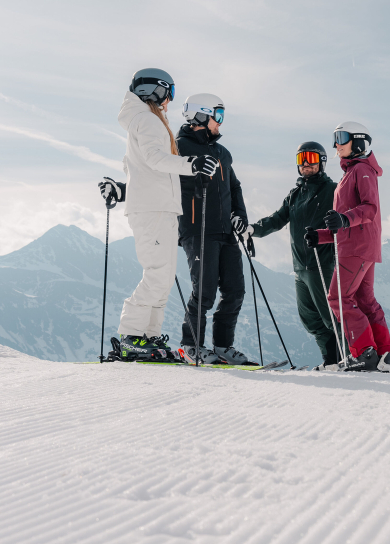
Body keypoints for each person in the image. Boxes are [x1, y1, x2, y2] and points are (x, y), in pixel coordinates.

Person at [98, 69, 219, 361]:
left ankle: (148, 337)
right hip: (153, 208)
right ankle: (131, 336)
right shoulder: (148, 120)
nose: (169, 102)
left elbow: (137, 168)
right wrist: (192, 164)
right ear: (154, 91)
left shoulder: (143, 121)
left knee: (162, 277)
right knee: (157, 275)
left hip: (157, 206)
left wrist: (123, 189)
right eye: (169, 94)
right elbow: (154, 159)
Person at [303, 121, 390, 372]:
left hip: (356, 249)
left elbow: (369, 208)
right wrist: (321, 236)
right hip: (359, 246)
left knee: (337, 297)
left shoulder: (362, 171)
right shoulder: (353, 172)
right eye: (335, 137)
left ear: (357, 141)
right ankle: (382, 355)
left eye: (342, 137)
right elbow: (342, 225)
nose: (336, 144)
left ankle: (364, 353)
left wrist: (344, 218)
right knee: (365, 300)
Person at [246, 142, 341, 369]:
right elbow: (277, 219)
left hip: (322, 264)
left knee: (332, 318)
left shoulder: (333, 190)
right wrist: (253, 230)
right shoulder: (295, 195)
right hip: (300, 267)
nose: (306, 163)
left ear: (322, 162)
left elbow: (345, 219)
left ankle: (350, 356)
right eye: (301, 159)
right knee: (310, 319)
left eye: (310, 158)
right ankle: (331, 361)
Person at [175, 93, 252, 365]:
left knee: (235, 291)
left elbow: (234, 187)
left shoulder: (222, 152)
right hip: (197, 229)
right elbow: (161, 181)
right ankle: (190, 347)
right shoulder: (178, 148)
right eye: (217, 116)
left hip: (225, 232)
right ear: (199, 116)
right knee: (204, 292)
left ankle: (222, 347)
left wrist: (239, 216)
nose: (220, 122)